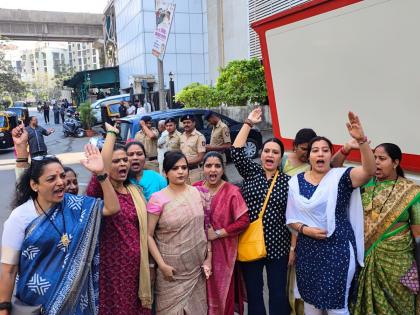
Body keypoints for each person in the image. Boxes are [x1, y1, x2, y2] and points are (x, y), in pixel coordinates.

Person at [0, 132, 120, 314]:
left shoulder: (75, 206)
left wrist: (101, 174)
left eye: (62, 176)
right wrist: (3, 309)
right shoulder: (19, 218)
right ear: (34, 185)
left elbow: (112, 208)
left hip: (75, 304)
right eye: (51, 179)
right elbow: (9, 270)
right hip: (36, 305)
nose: (61, 182)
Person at [286, 112, 376, 315]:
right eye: (315, 150)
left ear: (330, 155)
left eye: (325, 150)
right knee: (311, 306)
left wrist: (361, 141)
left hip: (338, 250)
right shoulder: (295, 182)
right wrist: (305, 230)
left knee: (338, 307)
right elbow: (291, 218)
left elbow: (369, 171)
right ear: (308, 156)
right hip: (308, 251)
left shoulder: (341, 177)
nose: (320, 154)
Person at [230, 107, 293, 314]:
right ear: (261, 154)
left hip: (279, 246)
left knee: (277, 293)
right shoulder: (252, 172)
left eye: (275, 152)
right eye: (267, 151)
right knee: (255, 293)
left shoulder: (289, 182)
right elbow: (236, 152)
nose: (270, 155)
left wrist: (293, 249)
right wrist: (248, 123)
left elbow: (295, 217)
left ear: (280, 158)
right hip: (250, 243)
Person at [86, 124, 152, 315]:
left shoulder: (134, 191)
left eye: (125, 160)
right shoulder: (101, 191)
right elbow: (102, 167)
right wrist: (112, 134)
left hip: (137, 268)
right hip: (112, 269)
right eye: (117, 161)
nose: (123, 164)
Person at [351, 143, 420, 315]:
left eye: (382, 159)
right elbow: (331, 173)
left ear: (395, 162)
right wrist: (347, 148)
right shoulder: (364, 186)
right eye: (374, 158)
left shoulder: (411, 191)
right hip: (365, 260)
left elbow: (418, 236)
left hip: (398, 265)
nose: (376, 163)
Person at [147, 151, 212, 315]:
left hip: (196, 272)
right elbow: (148, 236)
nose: (181, 171)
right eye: (175, 168)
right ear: (166, 172)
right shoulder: (157, 199)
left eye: (184, 167)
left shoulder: (199, 193)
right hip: (170, 274)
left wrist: (209, 259)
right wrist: (161, 265)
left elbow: (206, 228)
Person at [193, 151, 250, 315]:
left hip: (224, 253)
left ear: (223, 169)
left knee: (222, 292)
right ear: (202, 168)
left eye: (217, 166)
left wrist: (217, 233)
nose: (213, 170)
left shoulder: (232, 192)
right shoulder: (194, 189)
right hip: (197, 252)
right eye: (208, 165)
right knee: (200, 294)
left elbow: (243, 221)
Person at [180, 114, 206, 184]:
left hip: (196, 171)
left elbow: (201, 157)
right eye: (184, 123)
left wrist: (184, 163)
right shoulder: (181, 136)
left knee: (197, 193)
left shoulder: (199, 137)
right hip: (184, 171)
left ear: (194, 123)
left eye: (188, 122)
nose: (186, 124)